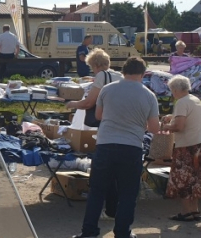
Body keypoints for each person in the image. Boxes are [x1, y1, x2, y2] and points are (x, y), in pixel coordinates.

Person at [73, 57, 160, 238]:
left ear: (123, 72)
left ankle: (88, 232)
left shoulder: (107, 89)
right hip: (131, 147)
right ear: (142, 74)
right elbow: (154, 128)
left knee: (97, 191)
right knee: (128, 193)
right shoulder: (149, 95)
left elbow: (98, 115)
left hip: (105, 144)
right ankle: (122, 232)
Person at [66, 48, 123, 221]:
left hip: (105, 125)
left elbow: (89, 102)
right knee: (116, 172)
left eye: (92, 66)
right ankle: (114, 209)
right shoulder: (119, 76)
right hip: (120, 125)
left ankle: (102, 214)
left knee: (102, 173)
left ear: (96, 65)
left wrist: (71, 104)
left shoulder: (101, 76)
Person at [161, 75, 201, 222]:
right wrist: (172, 117)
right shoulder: (195, 99)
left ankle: (186, 211)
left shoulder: (181, 102)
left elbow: (179, 127)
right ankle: (195, 211)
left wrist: (166, 126)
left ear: (175, 89)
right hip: (200, 143)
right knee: (196, 178)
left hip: (187, 146)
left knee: (184, 179)